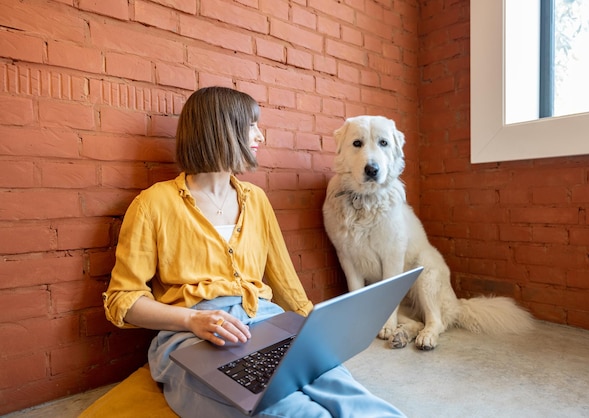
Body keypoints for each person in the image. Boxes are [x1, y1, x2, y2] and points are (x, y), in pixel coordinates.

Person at [102, 86, 406, 418]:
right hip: (194, 338)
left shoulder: (255, 199)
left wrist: (315, 333)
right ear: (221, 129)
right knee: (289, 410)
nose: (260, 134)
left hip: (267, 319)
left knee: (346, 393)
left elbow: (284, 280)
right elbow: (124, 300)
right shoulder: (153, 204)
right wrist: (193, 319)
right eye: (251, 125)